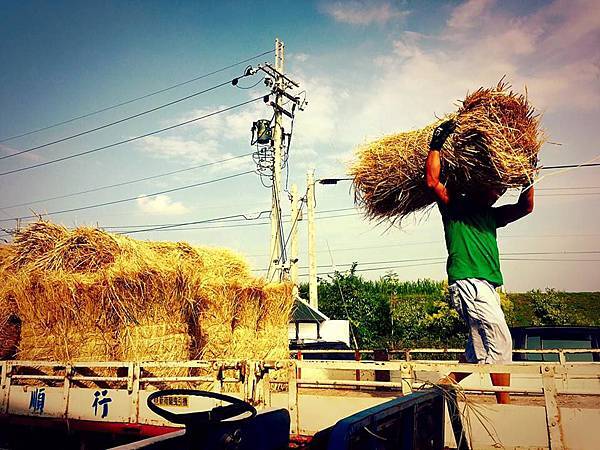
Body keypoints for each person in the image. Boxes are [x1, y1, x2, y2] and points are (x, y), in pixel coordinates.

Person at [425, 119, 535, 404]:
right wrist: (436, 144)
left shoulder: (492, 216)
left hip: (487, 285)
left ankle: (443, 386)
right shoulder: (456, 208)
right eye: (494, 188)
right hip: (468, 281)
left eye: (500, 190)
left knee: (477, 351)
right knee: (500, 339)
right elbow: (432, 182)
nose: (498, 192)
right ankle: (505, 405)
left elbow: (526, 207)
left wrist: (528, 178)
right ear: (478, 186)